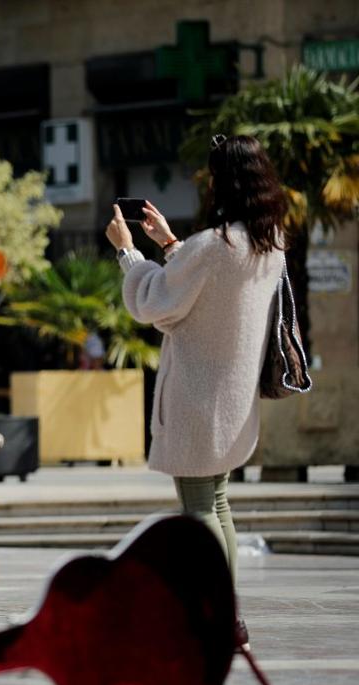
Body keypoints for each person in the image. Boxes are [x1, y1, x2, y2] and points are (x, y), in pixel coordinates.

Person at [106, 134, 287, 576]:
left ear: (222, 183)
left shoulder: (214, 245)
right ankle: (228, 612)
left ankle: (217, 613)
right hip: (234, 400)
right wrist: (170, 244)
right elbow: (208, 295)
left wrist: (127, 251)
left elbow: (156, 303)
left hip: (197, 399)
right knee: (218, 501)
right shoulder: (269, 243)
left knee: (198, 509)